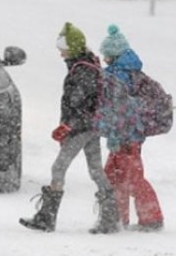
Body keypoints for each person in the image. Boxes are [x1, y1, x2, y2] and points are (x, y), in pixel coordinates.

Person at [19, 22, 119, 234]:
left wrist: (68, 126)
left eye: (62, 47)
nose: (60, 52)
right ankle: (110, 217)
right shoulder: (87, 64)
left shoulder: (82, 69)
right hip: (91, 126)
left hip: (81, 127)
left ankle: (47, 217)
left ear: (72, 46)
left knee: (59, 168)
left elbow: (78, 103)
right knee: (95, 170)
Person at [99, 24, 164, 232]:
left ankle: (150, 219)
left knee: (130, 178)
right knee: (116, 175)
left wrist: (116, 134)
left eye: (106, 54)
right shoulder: (131, 72)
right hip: (131, 136)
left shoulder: (119, 76)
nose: (103, 58)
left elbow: (121, 111)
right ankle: (118, 217)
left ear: (113, 54)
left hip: (126, 138)